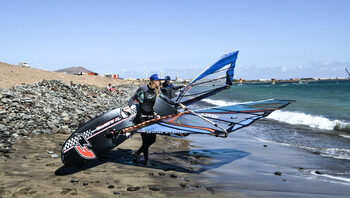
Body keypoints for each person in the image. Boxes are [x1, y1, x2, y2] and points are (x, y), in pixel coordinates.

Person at [124, 74, 185, 166]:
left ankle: (137, 153)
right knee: (145, 140)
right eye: (158, 81)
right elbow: (133, 98)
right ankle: (146, 161)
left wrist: (178, 104)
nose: (159, 83)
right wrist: (128, 107)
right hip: (141, 118)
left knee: (152, 139)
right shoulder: (143, 88)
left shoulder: (157, 91)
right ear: (153, 81)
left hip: (151, 117)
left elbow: (166, 99)